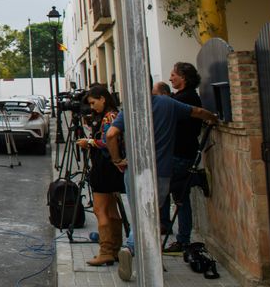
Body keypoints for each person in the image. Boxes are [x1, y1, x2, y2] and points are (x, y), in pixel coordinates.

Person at [105, 86, 217, 280]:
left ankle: (143, 254)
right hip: (160, 171)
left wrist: (116, 160)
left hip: (132, 170)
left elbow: (110, 134)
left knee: (139, 215)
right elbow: (197, 112)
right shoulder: (167, 103)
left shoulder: (129, 110)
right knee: (151, 216)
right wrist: (213, 118)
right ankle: (132, 248)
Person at [76, 84, 125, 266]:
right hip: (112, 167)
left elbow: (107, 141)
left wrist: (89, 141)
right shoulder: (113, 114)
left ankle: (106, 251)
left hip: (104, 167)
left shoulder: (108, 117)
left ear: (103, 99)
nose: (92, 107)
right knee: (112, 209)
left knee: (100, 210)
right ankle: (115, 248)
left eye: (93, 102)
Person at [162, 62, 202, 253]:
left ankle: (183, 239)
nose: (170, 79)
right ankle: (178, 235)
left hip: (181, 154)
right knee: (177, 195)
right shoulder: (181, 97)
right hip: (179, 152)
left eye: (173, 75)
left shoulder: (187, 98)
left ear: (183, 77)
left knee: (179, 196)